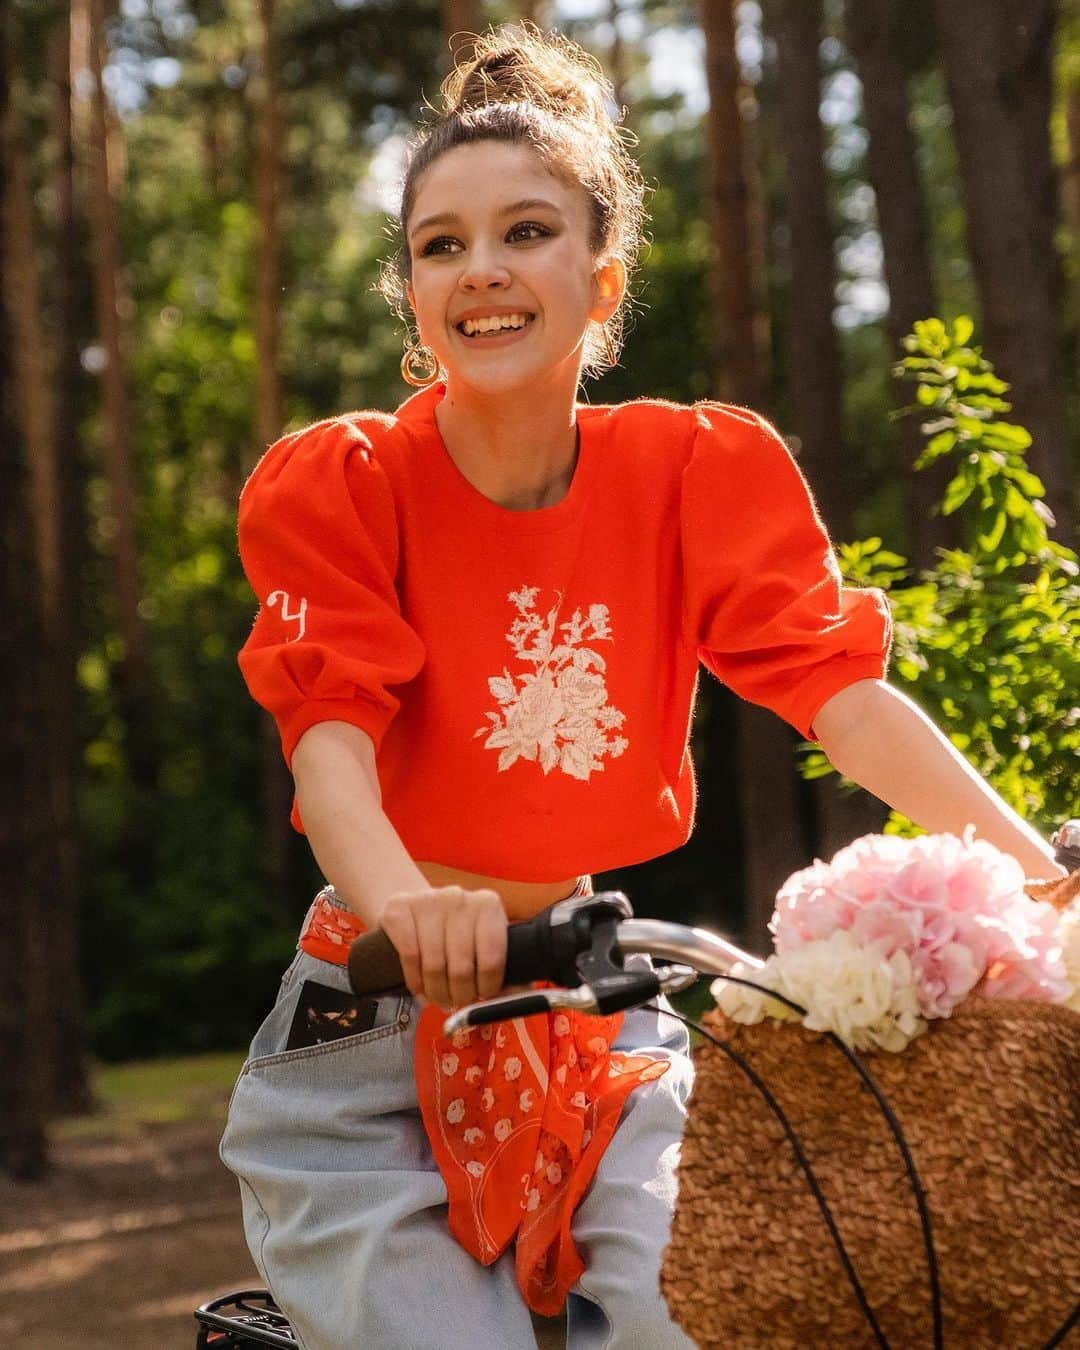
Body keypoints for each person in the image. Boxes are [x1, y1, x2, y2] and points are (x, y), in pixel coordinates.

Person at [219, 24, 1066, 1350]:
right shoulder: (349, 486)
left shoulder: (691, 473)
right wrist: (414, 913)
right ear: (414, 298)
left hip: (595, 1016)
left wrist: (1042, 874)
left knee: (715, 1317)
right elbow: (328, 749)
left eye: (527, 231)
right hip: (371, 1027)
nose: (482, 268)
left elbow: (841, 698)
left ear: (602, 285)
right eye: (440, 245)